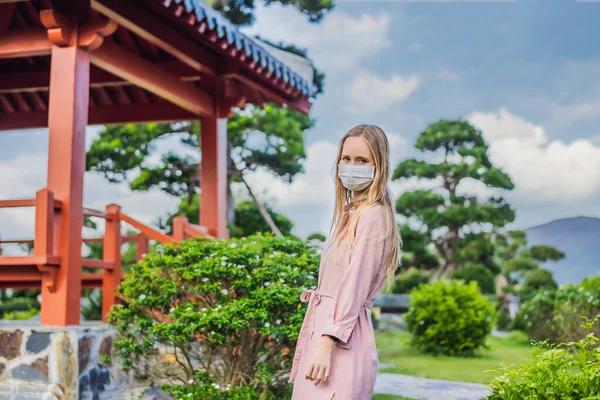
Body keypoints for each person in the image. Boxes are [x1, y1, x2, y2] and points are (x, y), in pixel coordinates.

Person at [289, 124, 402, 399]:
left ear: (379, 167)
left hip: (339, 341)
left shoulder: (373, 216)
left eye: (362, 160)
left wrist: (327, 343)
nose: (351, 166)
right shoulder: (350, 215)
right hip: (326, 336)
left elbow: (354, 286)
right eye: (346, 159)